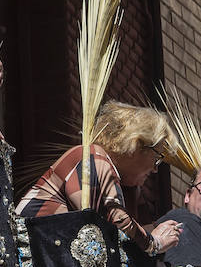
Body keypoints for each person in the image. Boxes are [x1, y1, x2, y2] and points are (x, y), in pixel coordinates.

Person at [16, 101, 183, 255]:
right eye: (157, 157)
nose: (155, 169)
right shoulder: (92, 156)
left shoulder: (102, 164)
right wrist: (154, 242)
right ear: (136, 143)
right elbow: (114, 219)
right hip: (28, 254)